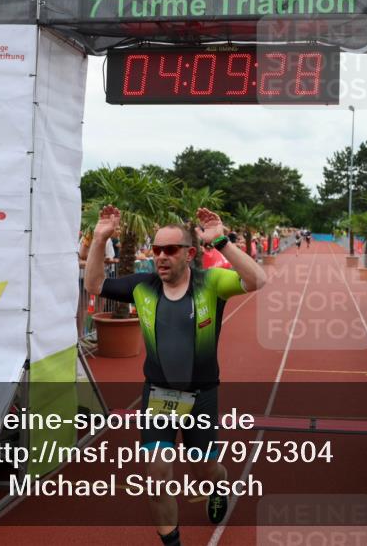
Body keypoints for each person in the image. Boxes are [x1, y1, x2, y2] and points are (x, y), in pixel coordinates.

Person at [85, 206, 267, 546]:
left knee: (204, 471)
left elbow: (258, 280)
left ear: (190, 254)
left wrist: (222, 242)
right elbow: (94, 284)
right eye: (156, 250)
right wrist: (98, 239)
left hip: (202, 395)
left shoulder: (210, 282)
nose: (161, 257)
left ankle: (218, 483)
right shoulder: (143, 286)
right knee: (157, 477)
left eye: (170, 249)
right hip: (159, 395)